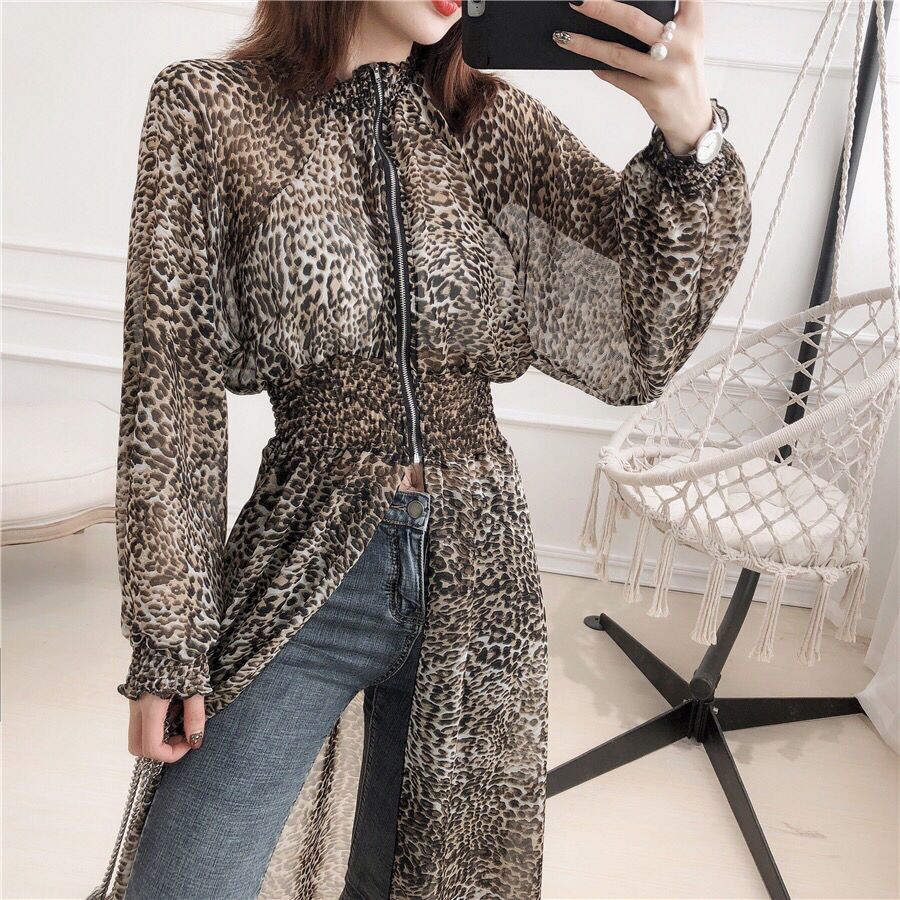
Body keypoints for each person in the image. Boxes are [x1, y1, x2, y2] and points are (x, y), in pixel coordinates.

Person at [91, 1, 752, 898]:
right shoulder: (211, 109)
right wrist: (169, 642)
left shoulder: (490, 126)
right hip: (308, 559)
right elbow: (169, 392)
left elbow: (638, 341)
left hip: (481, 579)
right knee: (184, 884)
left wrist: (689, 141)